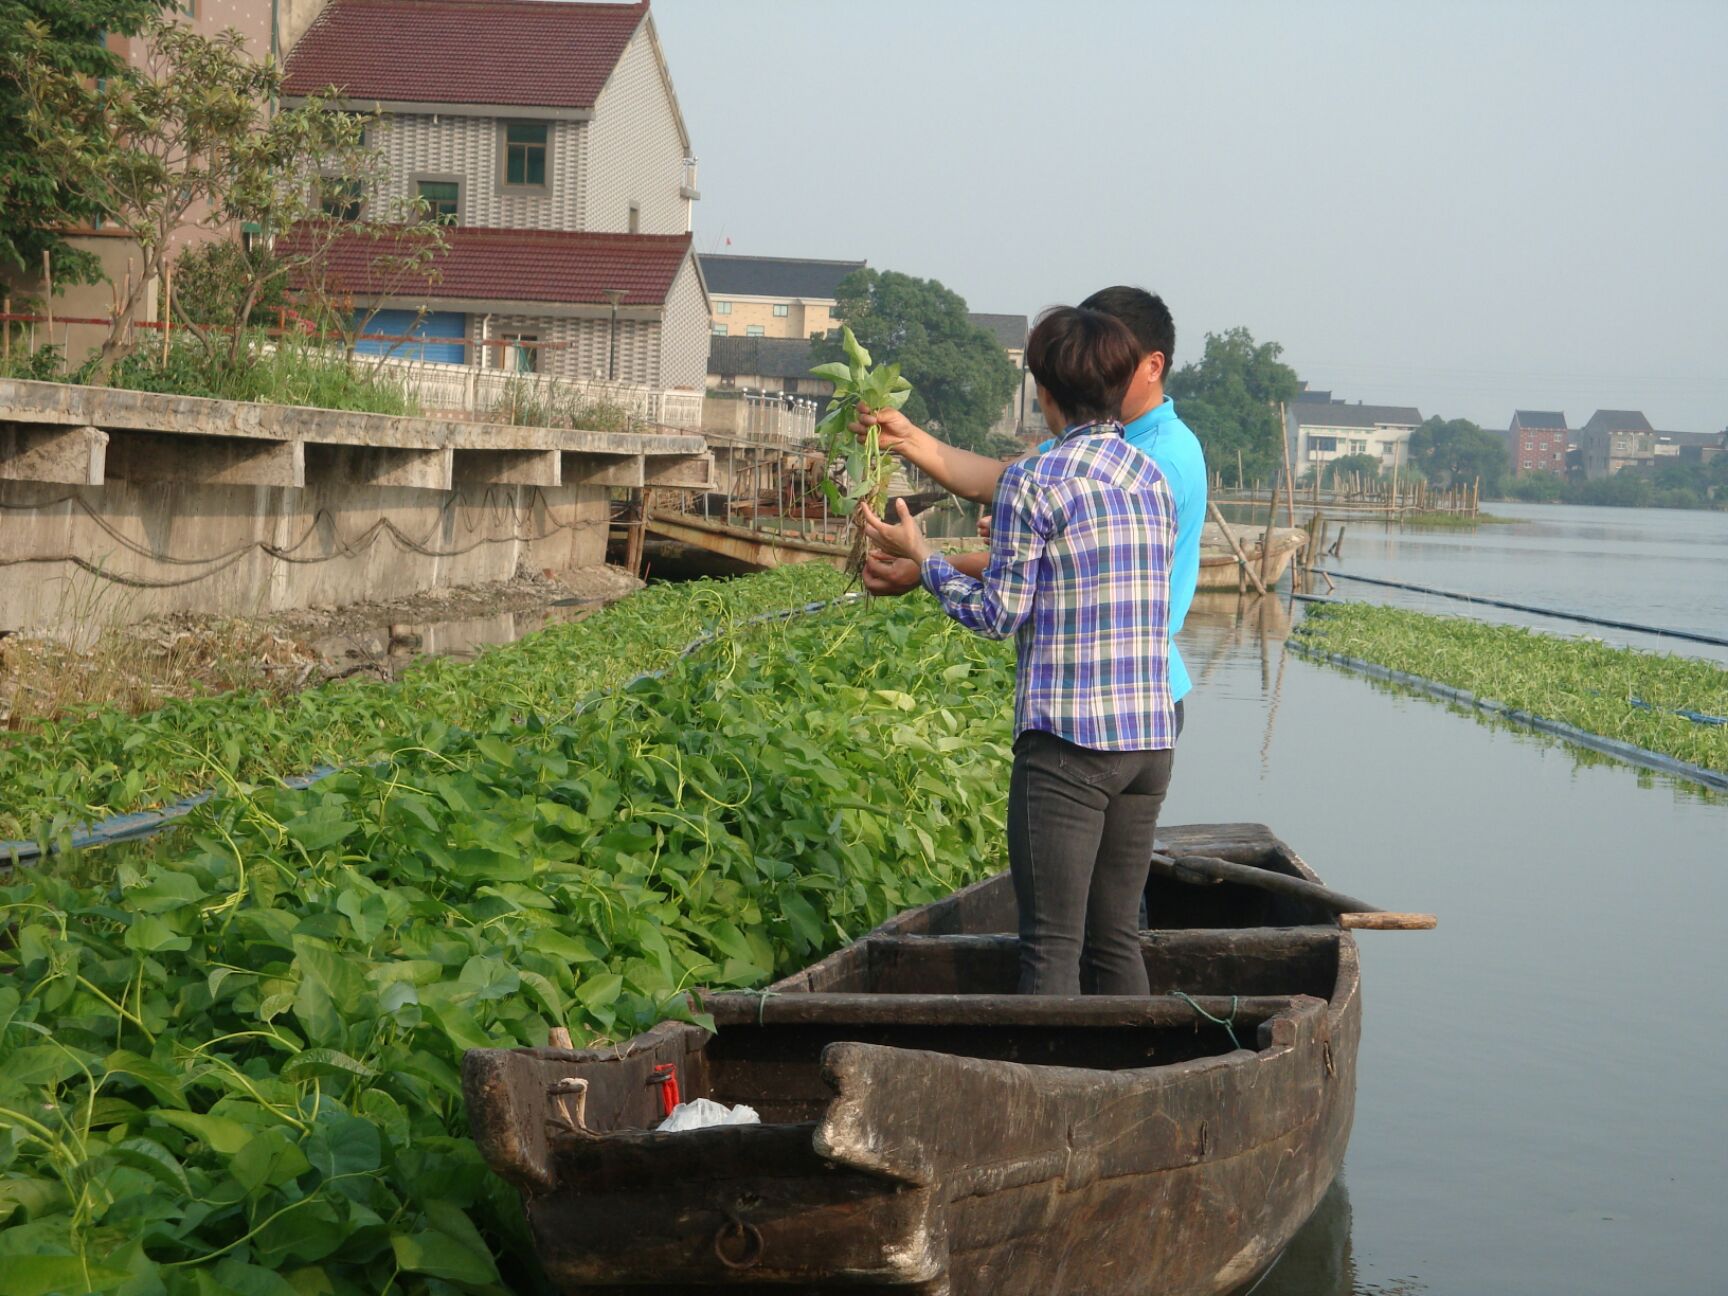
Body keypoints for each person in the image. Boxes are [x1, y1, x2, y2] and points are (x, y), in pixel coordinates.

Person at [859, 306, 1177, 996]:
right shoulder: (1150, 479)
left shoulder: (1036, 480)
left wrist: (926, 558)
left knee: (1051, 950)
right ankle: (1129, 1088)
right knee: (1115, 939)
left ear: (1044, 392)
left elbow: (1000, 615)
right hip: (1149, 742)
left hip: (1070, 744)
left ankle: (1056, 1098)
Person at [856, 287, 1206, 744]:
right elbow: (1002, 479)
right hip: (1110, 698)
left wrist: (925, 565)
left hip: (1113, 696)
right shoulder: (1094, 440)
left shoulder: (1160, 460)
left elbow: (1055, 570)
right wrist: (906, 439)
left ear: (1151, 366)